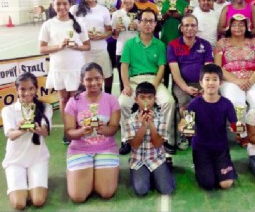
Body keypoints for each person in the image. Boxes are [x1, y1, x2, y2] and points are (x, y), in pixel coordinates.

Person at [119, 8, 176, 155]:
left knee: (169, 102)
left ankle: (166, 138)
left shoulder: (160, 45)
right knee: (122, 103)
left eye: (151, 21)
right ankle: (126, 139)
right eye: (145, 20)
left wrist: (154, 86)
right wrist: (126, 85)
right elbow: (124, 66)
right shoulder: (130, 44)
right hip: (134, 81)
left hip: (154, 80)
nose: (148, 24)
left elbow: (162, 67)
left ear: (156, 24)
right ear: (138, 23)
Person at [64, 62, 120, 202]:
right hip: (79, 149)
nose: (94, 83)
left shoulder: (112, 100)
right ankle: (80, 172)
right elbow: (68, 133)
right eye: (89, 79)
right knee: (78, 197)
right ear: (82, 81)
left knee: (106, 193)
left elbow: (113, 128)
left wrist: (103, 129)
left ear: (103, 78)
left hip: (106, 148)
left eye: (98, 78)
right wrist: (82, 131)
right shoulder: (73, 102)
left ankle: (93, 173)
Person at [39, 0, 90, 145]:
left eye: (64, 4)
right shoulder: (48, 24)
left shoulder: (79, 23)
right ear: (53, 6)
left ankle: (78, 128)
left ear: (70, 4)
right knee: (63, 99)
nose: (61, 7)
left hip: (76, 68)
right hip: (59, 69)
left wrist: (76, 47)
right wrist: (59, 46)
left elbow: (87, 46)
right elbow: (42, 49)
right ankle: (68, 130)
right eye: (58, 4)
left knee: (76, 100)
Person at [178, 64, 238, 190]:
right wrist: (184, 128)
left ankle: (221, 165)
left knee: (226, 184)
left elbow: (235, 123)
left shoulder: (227, 104)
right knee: (208, 184)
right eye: (207, 79)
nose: (211, 83)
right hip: (201, 149)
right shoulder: (194, 104)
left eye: (215, 79)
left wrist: (237, 129)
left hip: (221, 149)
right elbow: (184, 122)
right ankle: (201, 165)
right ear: (201, 82)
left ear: (220, 82)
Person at [1, 73, 52, 210]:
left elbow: (46, 132)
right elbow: (11, 135)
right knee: (19, 204)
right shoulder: (8, 110)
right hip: (15, 161)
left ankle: (31, 180)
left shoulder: (45, 107)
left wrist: (35, 127)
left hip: (37, 159)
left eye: (30, 88)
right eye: (22, 89)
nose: (27, 93)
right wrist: (22, 129)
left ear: (36, 89)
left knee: (38, 200)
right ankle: (21, 181)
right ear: (16, 90)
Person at [167, 14, 214, 149]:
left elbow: (208, 68)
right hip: (182, 84)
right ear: (181, 28)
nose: (189, 28)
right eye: (186, 25)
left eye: (193, 25)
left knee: (211, 101)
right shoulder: (173, 45)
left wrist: (204, 87)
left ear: (197, 28)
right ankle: (187, 134)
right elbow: (175, 72)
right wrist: (186, 88)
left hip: (202, 83)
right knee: (185, 104)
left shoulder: (205, 44)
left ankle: (207, 134)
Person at [125, 82, 176, 196]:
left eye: (149, 98)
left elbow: (158, 144)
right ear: (136, 99)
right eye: (142, 98)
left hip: (156, 158)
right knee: (141, 190)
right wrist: (143, 126)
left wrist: (151, 125)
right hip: (138, 160)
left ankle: (164, 169)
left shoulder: (161, 117)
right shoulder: (130, 119)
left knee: (167, 189)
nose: (146, 101)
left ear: (155, 100)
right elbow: (134, 145)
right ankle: (147, 175)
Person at [77, 0, 121, 94]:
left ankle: (107, 96)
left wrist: (116, 13)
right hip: (88, 45)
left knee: (108, 72)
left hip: (110, 41)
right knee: (89, 72)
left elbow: (119, 13)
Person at [214, 14, 255, 110]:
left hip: (253, 79)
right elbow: (217, 68)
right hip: (230, 80)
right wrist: (237, 81)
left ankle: (254, 125)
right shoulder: (222, 43)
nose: (237, 28)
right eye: (234, 25)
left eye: (241, 25)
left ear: (247, 27)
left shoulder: (254, 41)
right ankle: (239, 125)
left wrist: (250, 82)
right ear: (229, 27)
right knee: (236, 105)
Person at [70, 0, 113, 92]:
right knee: (85, 79)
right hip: (84, 52)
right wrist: (82, 35)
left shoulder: (104, 10)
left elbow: (109, 30)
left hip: (101, 50)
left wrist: (102, 36)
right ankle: (86, 102)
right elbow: (69, 30)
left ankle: (106, 98)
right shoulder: (74, 9)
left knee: (106, 76)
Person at [112, 0, 139, 91]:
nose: (127, 0)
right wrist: (117, 30)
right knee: (123, 83)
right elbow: (114, 36)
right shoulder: (116, 14)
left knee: (137, 80)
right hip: (121, 51)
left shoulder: (140, 14)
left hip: (137, 51)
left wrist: (138, 28)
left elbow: (146, 33)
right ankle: (124, 106)